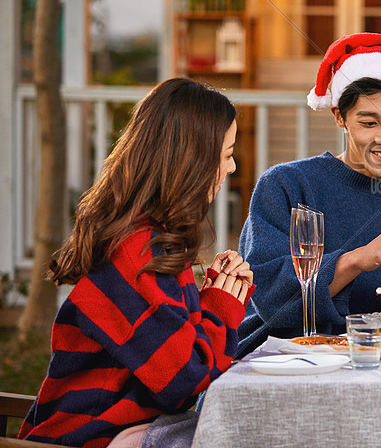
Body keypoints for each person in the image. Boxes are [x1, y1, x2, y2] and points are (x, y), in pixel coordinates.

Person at [19, 78, 255, 448]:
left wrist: (213, 300)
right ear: (192, 159)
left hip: (129, 429)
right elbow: (184, 383)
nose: (232, 166)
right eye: (226, 154)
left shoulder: (153, 240)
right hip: (91, 437)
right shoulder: (136, 251)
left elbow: (187, 369)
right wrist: (221, 308)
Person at [236, 33, 381, 355]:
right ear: (339, 116)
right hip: (278, 364)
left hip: (374, 371)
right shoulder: (287, 185)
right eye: (368, 122)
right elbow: (271, 302)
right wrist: (356, 260)